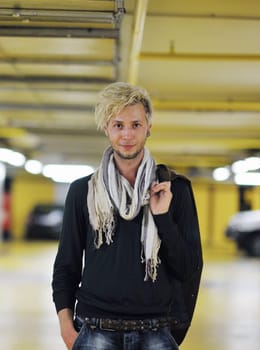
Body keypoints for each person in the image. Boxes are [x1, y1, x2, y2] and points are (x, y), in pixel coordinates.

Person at [51, 82, 203, 350]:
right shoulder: (82, 191)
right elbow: (66, 264)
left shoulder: (175, 189)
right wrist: (66, 326)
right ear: (106, 128)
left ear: (149, 127)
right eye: (118, 125)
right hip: (95, 330)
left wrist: (163, 217)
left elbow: (188, 268)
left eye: (136, 124)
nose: (127, 134)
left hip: (156, 331)